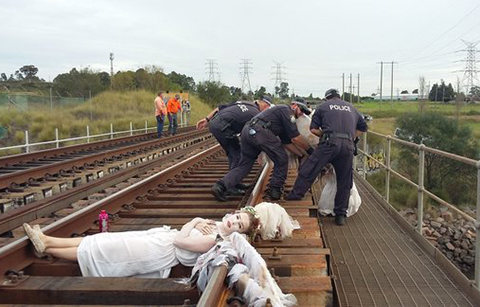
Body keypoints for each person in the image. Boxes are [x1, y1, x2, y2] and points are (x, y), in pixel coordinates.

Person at [23, 207, 260, 278]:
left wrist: (195, 220)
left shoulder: (213, 239)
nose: (235, 223)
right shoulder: (214, 223)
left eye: (240, 226)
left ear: (239, 233)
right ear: (233, 213)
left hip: (158, 252)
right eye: (237, 218)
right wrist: (196, 222)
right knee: (104, 240)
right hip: (157, 238)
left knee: (105, 252)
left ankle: (48, 246)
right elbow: (182, 235)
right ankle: (47, 240)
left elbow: (180, 241)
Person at [286, 88, 368, 226]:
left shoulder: (323, 107)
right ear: (339, 97)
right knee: (344, 179)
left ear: (327, 98)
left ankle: (295, 195)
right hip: (347, 145)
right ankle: (340, 214)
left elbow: (313, 129)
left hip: (329, 143)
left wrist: (325, 135)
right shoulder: (351, 107)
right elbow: (363, 128)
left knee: (310, 168)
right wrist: (351, 137)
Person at [211, 98, 314, 202]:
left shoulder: (281, 117)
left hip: (248, 132)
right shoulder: (287, 111)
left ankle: (220, 186)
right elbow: (295, 138)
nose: (301, 114)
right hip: (260, 131)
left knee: (245, 164)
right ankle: (275, 189)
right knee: (282, 159)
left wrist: (301, 154)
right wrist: (310, 150)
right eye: (302, 110)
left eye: (304, 112)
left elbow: (287, 143)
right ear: (294, 105)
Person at [196, 96, 273, 173]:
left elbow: (219, 108)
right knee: (237, 155)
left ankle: (231, 179)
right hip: (223, 127)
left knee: (233, 153)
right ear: (265, 106)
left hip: (214, 123)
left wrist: (206, 119)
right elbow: (254, 136)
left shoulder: (243, 102)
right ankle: (230, 182)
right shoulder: (256, 114)